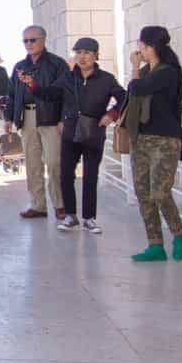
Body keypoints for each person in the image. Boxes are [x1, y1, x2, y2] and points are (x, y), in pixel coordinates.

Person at [123, 25, 182, 262]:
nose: (139, 49)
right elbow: (131, 94)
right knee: (143, 193)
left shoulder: (167, 72)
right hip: (141, 139)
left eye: (142, 45)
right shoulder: (147, 71)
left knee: (160, 191)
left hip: (165, 140)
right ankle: (155, 245)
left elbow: (137, 88)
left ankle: (178, 234)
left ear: (150, 47)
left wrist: (134, 68)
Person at [55, 38, 125, 233]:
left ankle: (89, 218)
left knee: (90, 176)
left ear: (95, 55)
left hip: (94, 132)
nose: (82, 57)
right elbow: (52, 95)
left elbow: (124, 98)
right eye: (78, 53)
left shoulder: (107, 79)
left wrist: (111, 115)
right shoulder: (68, 78)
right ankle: (70, 215)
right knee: (66, 174)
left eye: (86, 53)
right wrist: (32, 85)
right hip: (70, 132)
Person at [7, 25, 69, 219]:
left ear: (43, 40)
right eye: (25, 40)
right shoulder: (19, 66)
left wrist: (63, 119)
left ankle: (60, 204)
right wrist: (9, 117)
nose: (29, 44)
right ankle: (38, 205)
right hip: (27, 118)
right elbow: (12, 94)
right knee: (32, 164)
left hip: (50, 118)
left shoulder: (57, 64)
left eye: (32, 40)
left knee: (53, 162)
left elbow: (66, 93)